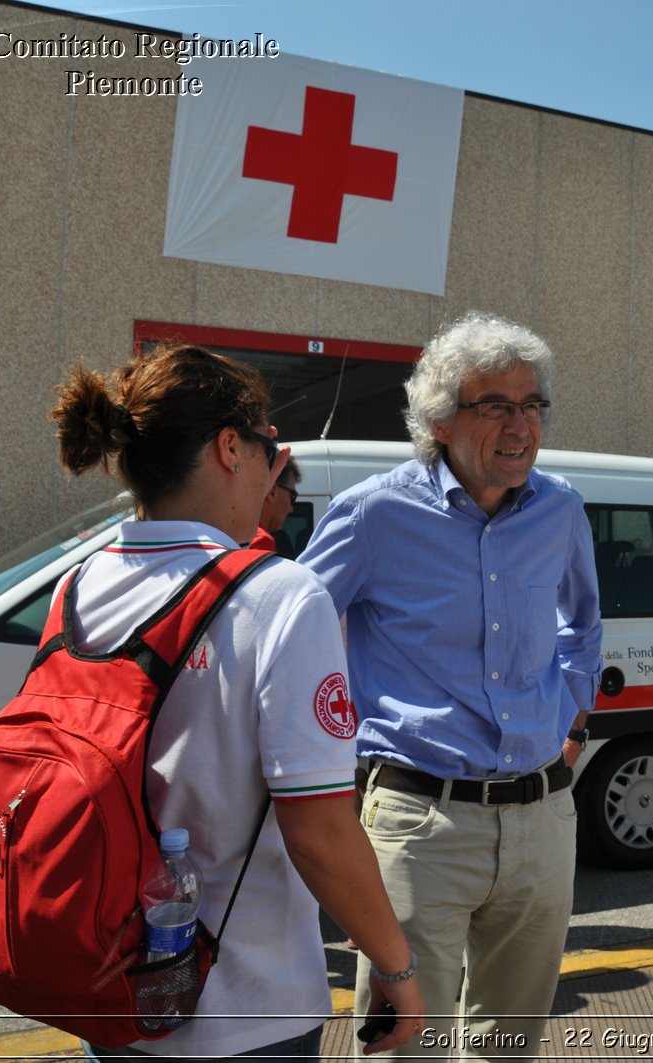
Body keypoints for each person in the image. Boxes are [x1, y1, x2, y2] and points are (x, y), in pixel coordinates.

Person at [49, 344, 422, 1060]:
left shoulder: (78, 585)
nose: (272, 466)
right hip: (247, 1009)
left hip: (111, 991)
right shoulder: (280, 595)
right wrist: (396, 966)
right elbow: (318, 829)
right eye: (268, 447)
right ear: (229, 447)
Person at [298, 311, 602, 1060]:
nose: (521, 425)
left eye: (532, 406)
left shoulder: (560, 508)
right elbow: (290, 629)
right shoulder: (374, 513)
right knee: (406, 1047)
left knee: (509, 1049)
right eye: (496, 405)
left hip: (542, 819)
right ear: (439, 418)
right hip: (415, 822)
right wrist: (321, 745)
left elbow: (584, 624)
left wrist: (570, 721)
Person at [250, 456, 301, 553]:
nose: (291, 509)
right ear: (272, 492)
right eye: (292, 496)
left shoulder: (222, 532)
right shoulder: (260, 541)